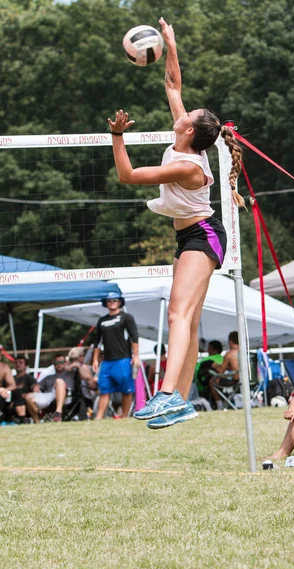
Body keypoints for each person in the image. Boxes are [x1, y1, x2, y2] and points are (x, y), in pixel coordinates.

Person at [109, 18, 243, 429]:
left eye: (190, 114)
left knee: (178, 316)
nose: (183, 110)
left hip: (202, 236)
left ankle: (166, 396)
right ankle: (181, 400)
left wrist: (117, 136)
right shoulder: (187, 138)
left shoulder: (186, 164)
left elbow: (128, 176)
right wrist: (171, 43)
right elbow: (172, 85)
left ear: (189, 130)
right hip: (194, 236)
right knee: (189, 317)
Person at [92, 292, 140, 420]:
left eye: (114, 300)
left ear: (119, 302)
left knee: (126, 388)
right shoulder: (102, 321)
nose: (112, 302)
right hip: (107, 361)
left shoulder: (126, 317)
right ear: (105, 303)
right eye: (109, 300)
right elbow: (97, 342)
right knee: (104, 389)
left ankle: (125, 415)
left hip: (123, 358)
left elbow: (134, 337)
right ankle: (99, 417)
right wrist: (95, 360)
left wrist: (136, 356)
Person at [25, 353, 77, 422]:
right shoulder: (48, 377)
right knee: (28, 397)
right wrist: (34, 387)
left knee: (59, 381)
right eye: (56, 362)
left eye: (61, 362)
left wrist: (72, 365)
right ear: (53, 364)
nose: (59, 364)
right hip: (49, 396)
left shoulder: (72, 373)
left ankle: (58, 413)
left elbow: (86, 375)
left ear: (65, 363)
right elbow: (38, 386)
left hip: (67, 396)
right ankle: (37, 422)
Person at [208, 332, 240, 409]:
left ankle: (219, 404)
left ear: (230, 342)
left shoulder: (229, 354)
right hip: (250, 380)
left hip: (236, 381)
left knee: (212, 381)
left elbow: (220, 372)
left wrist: (215, 366)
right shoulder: (246, 351)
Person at [12, 355, 38, 423]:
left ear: (26, 365)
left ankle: (22, 421)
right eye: (16, 363)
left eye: (20, 363)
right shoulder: (11, 379)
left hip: (25, 404)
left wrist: (27, 394)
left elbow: (36, 388)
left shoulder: (29, 378)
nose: (18, 364)